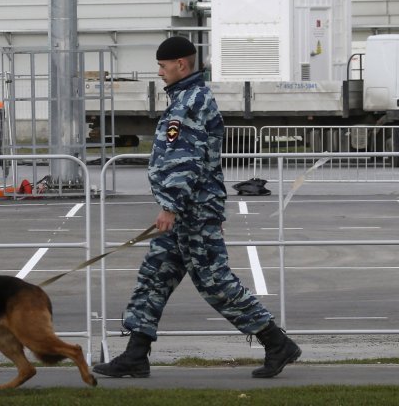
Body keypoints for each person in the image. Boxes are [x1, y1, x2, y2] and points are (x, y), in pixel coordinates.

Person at [93, 36, 300, 379]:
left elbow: (184, 160)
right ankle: (135, 355)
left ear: (181, 65)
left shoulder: (190, 102)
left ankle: (276, 342)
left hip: (194, 211)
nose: (159, 72)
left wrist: (170, 206)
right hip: (187, 209)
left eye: (162, 66)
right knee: (154, 277)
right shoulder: (185, 98)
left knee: (214, 281)